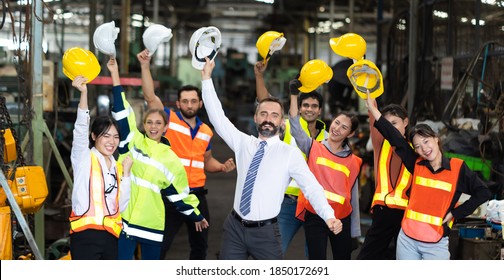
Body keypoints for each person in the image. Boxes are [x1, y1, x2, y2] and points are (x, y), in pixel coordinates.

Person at [201, 57, 342, 260]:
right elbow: (218, 118)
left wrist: (328, 215)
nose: (268, 118)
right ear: (256, 118)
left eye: (274, 115)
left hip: (265, 233)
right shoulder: (243, 144)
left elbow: (311, 187)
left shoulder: (289, 154)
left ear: (281, 122)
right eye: (264, 113)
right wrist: (206, 78)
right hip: (234, 228)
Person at [366, 93, 492, 260]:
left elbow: (483, 193)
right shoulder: (416, 164)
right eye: (417, 146)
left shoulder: (457, 167)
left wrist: (456, 213)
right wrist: (373, 110)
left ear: (436, 139)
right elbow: (395, 138)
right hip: (407, 240)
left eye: (426, 142)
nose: (423, 149)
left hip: (436, 242)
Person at [136, 49, 235, 260]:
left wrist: (221, 166)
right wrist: (145, 66)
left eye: (193, 101)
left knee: (200, 248)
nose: (189, 105)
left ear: (200, 103)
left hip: (197, 196)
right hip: (170, 194)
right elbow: (150, 97)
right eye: (185, 101)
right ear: (178, 104)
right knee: (159, 246)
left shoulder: (206, 131)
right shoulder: (168, 121)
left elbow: (206, 161)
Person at [108, 57, 209, 260]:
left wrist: (196, 214)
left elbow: (179, 193)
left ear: (165, 128)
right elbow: (121, 110)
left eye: (158, 123)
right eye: (149, 122)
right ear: (144, 125)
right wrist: (114, 74)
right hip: (125, 220)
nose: (153, 126)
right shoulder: (132, 142)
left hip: (151, 224)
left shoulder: (171, 159)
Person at [254, 60, 328, 256]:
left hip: (314, 203)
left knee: (314, 257)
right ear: (300, 107)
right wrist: (259, 76)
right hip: (289, 201)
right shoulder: (288, 126)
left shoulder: (329, 137)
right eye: (305, 105)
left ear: (320, 110)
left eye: (314, 106)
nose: (309, 109)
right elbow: (267, 104)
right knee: (275, 251)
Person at [288, 79, 362, 259]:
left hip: (341, 219)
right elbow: (295, 126)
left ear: (350, 134)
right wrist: (293, 96)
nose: (337, 129)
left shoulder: (354, 161)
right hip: (315, 215)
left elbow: (353, 200)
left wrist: (355, 232)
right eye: (336, 123)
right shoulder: (313, 146)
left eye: (344, 127)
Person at [69, 75, 132, 260]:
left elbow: (121, 206)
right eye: (106, 136)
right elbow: (80, 130)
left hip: (111, 237)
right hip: (85, 235)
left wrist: (126, 174)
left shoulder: (117, 166)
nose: (111, 142)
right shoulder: (84, 158)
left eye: (115, 137)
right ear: (94, 136)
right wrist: (84, 94)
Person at [357, 102, 412, 260]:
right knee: (367, 258)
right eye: (388, 124)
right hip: (383, 212)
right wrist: (371, 93)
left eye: (394, 123)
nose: (391, 128)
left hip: (406, 215)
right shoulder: (380, 143)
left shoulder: (415, 150)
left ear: (406, 122)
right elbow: (373, 116)